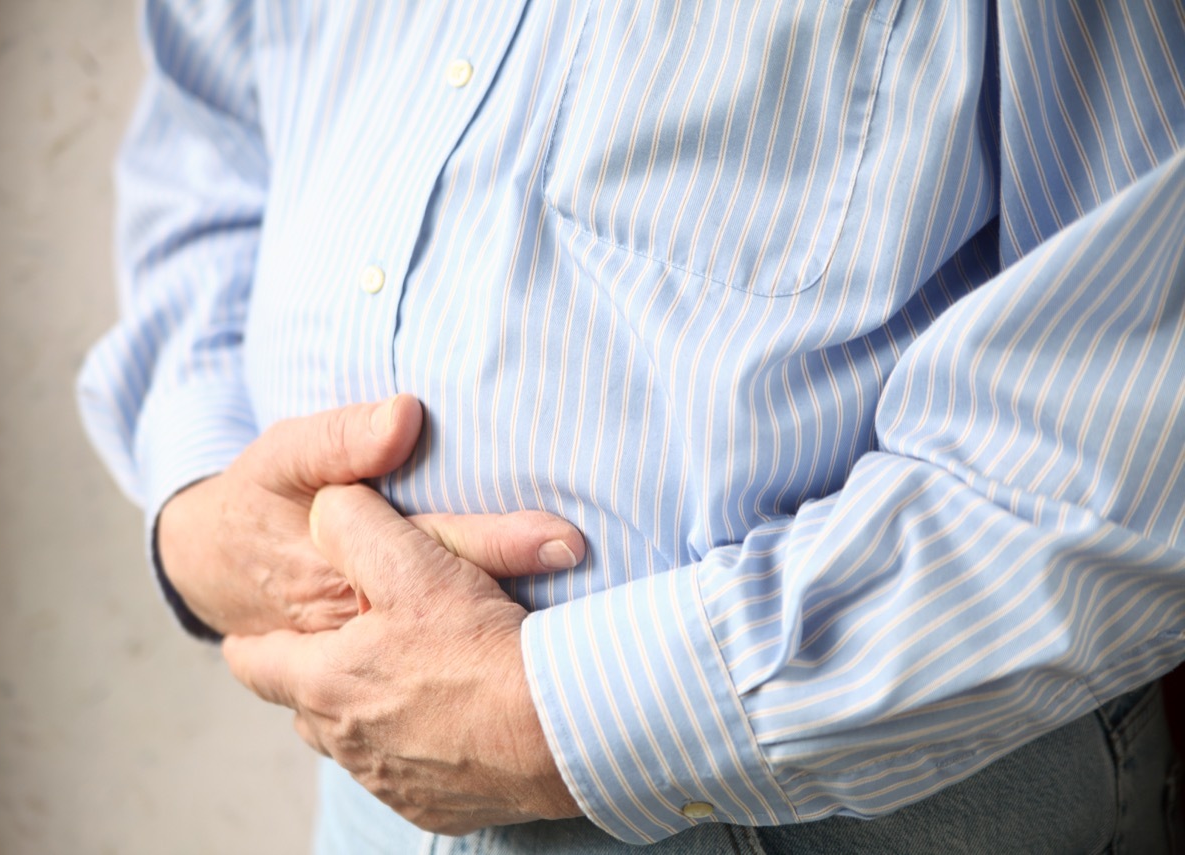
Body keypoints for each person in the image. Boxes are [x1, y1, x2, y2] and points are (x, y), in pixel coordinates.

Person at [78, 0, 1185, 852]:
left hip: (854, 807)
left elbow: (1135, 426)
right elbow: (209, 144)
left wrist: (549, 716)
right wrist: (204, 507)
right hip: (369, 781)